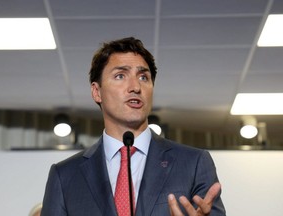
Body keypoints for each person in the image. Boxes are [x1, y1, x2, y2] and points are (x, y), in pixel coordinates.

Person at [41, 37, 226, 216]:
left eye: (143, 77)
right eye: (120, 75)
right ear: (97, 92)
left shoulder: (193, 163)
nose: (135, 87)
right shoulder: (65, 175)